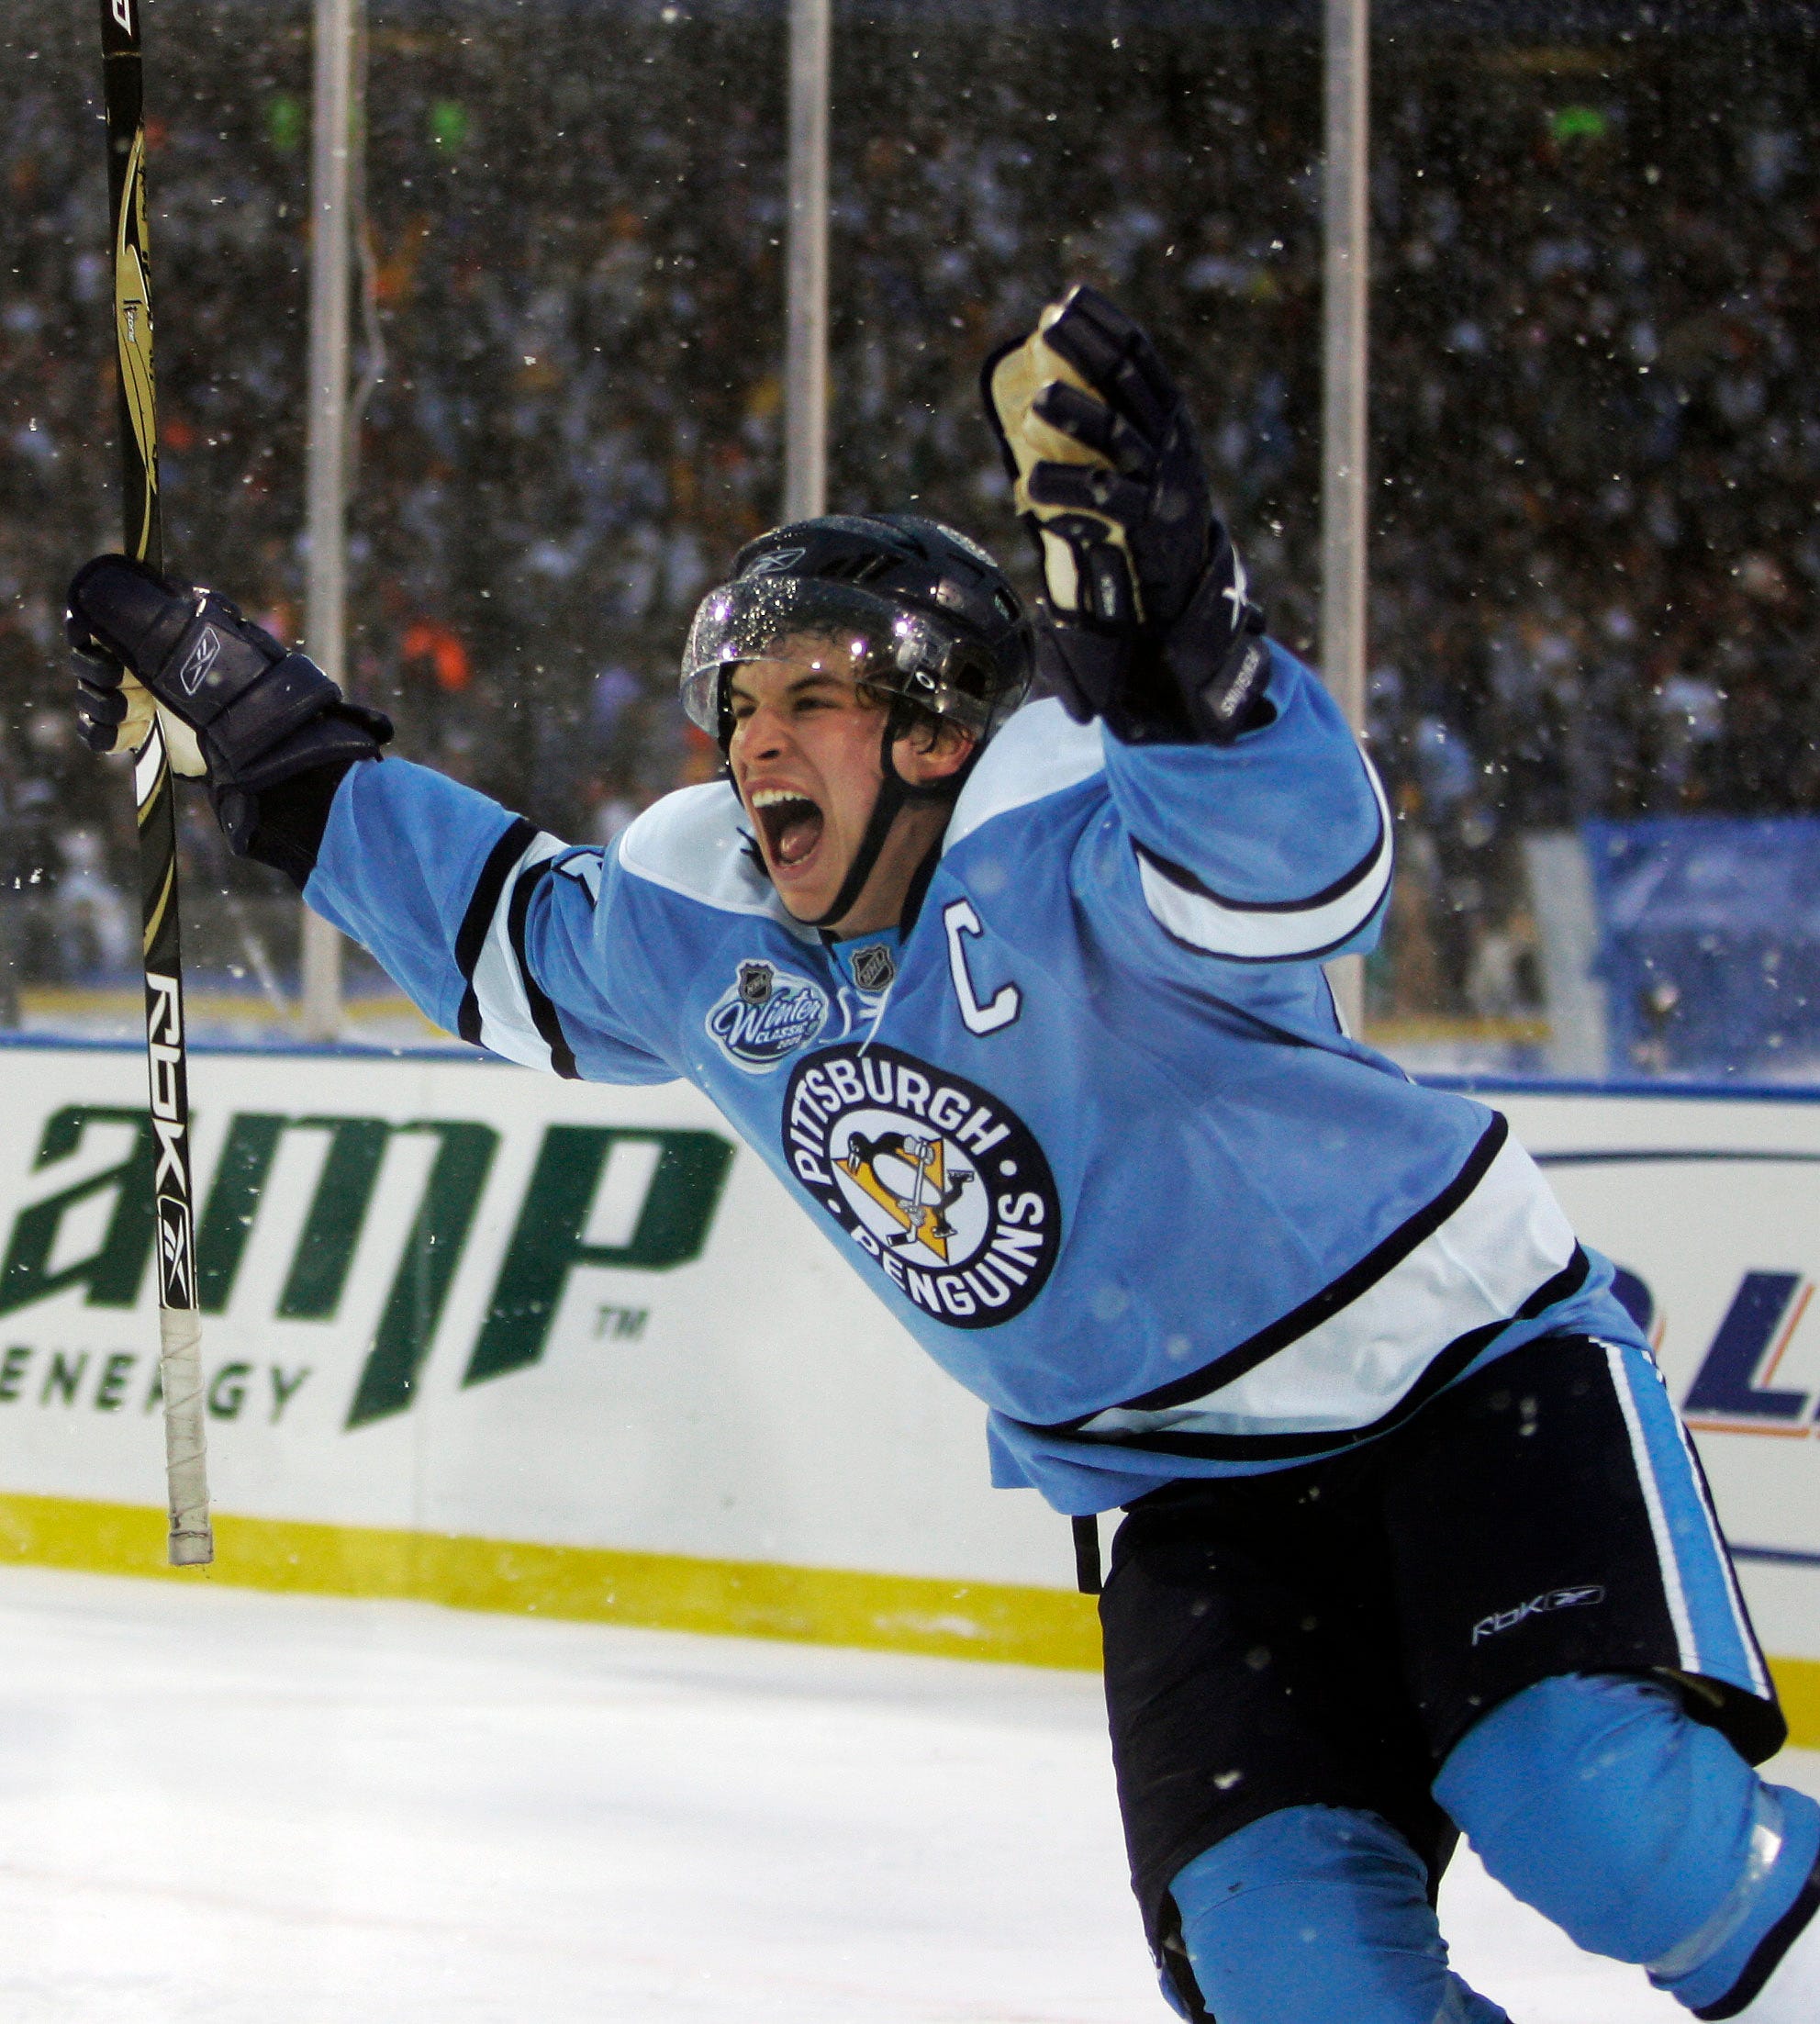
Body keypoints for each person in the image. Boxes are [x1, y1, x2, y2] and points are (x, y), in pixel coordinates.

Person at [62, 287, 1818, 2024]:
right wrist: (276, 750)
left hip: (1459, 1390)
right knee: (1294, 1978)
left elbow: (1302, 865)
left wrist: (1190, 662)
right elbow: (509, 937)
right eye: (738, 700)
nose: (755, 737)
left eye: (810, 691)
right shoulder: (712, 919)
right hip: (1185, 1502)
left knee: (1601, 1821)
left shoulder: (1088, 821)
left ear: (941, 718)